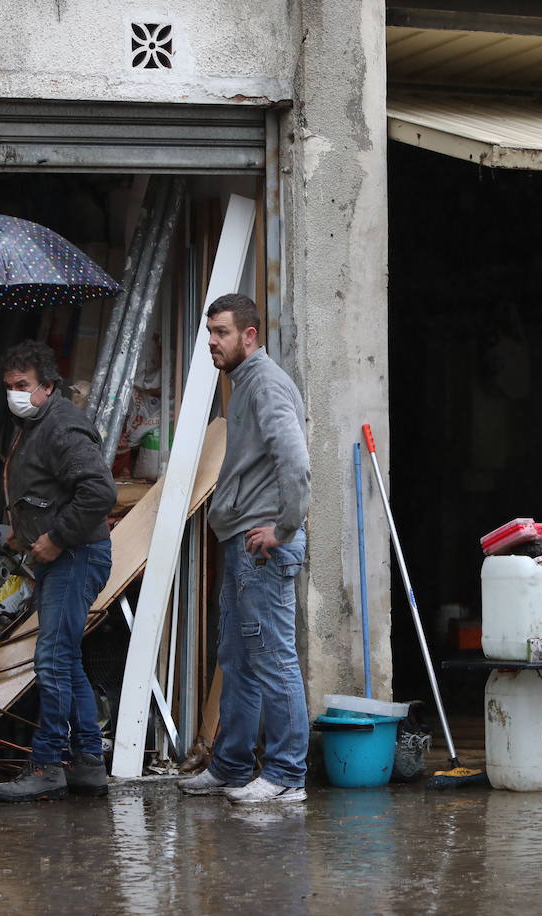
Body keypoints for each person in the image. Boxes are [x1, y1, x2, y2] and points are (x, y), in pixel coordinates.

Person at [179, 293, 311, 805]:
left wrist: (284, 528)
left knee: (274, 659)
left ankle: (285, 776)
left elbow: (296, 463)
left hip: (263, 547)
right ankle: (232, 766)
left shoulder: (267, 385)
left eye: (221, 332)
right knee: (238, 657)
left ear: (250, 336)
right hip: (243, 542)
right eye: (209, 332)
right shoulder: (246, 385)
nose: (211, 341)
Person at [0, 340, 117, 803]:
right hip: (62, 555)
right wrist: (24, 529)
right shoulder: (34, 423)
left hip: (75, 555)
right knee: (65, 660)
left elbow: (99, 491)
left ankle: (46, 765)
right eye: (8, 387)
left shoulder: (61, 425)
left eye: (22, 386)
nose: (14, 395)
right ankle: (87, 766)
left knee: (51, 660)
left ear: (47, 386)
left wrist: (57, 536)